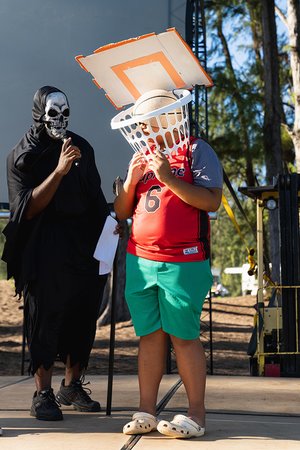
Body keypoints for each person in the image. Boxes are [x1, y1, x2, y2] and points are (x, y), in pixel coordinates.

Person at [113, 89, 223, 439]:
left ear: (169, 118)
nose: (144, 129)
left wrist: (171, 178)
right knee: (150, 336)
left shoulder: (196, 151)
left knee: (184, 336)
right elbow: (121, 211)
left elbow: (211, 201)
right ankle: (146, 409)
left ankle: (196, 414)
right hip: (140, 261)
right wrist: (130, 183)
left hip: (183, 262)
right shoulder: (141, 156)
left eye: (149, 122)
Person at [1, 86, 111, 421]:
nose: (60, 120)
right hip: (45, 251)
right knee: (46, 320)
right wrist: (60, 170)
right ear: (39, 113)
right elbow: (27, 208)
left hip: (82, 249)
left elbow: (94, 197)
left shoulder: (82, 148)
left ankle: (71, 386)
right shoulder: (24, 155)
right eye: (53, 112)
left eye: (65, 112)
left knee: (82, 318)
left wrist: (111, 225)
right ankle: (42, 393)